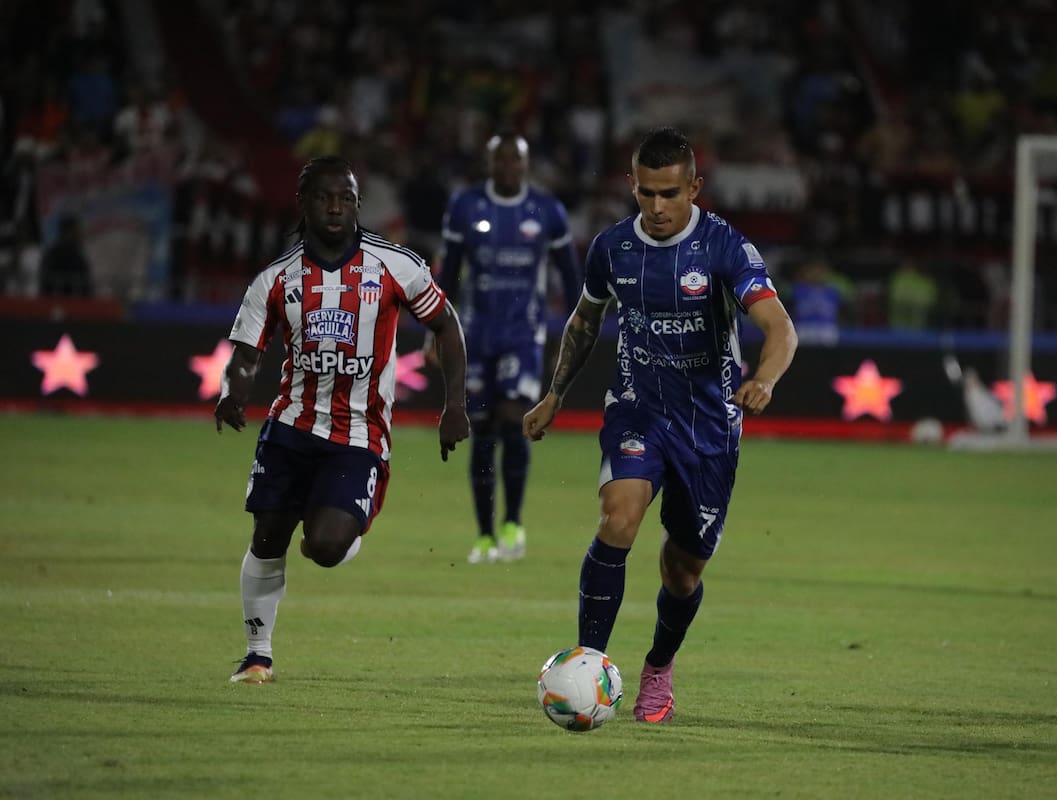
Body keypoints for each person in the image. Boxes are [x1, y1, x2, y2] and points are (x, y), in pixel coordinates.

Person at [522, 127, 798, 722]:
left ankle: (658, 666)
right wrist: (554, 395)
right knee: (618, 517)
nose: (657, 206)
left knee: (682, 567)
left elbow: (780, 328)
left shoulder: (726, 248)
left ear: (694, 187)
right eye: (646, 193)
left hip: (708, 428)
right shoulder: (612, 247)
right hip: (637, 409)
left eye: (670, 193)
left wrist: (766, 379)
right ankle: (587, 665)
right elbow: (582, 323)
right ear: (631, 186)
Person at [215, 156, 470, 684]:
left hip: (359, 435)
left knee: (325, 547)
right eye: (324, 197)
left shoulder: (395, 266)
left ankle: (335, 527)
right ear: (303, 203)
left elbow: (446, 326)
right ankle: (257, 654)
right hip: (289, 428)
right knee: (268, 534)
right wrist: (233, 392)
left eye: (346, 197)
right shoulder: (276, 279)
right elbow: (246, 352)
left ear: (357, 204)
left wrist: (455, 405)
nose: (335, 206)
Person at [430, 132, 580, 564]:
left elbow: (570, 279)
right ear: (490, 163)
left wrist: (572, 339)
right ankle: (484, 535)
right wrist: (435, 333)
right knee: (480, 430)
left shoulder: (547, 211)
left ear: (526, 166)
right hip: (476, 335)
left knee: (514, 420)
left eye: (517, 161)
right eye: (502, 160)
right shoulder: (465, 207)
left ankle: (513, 521)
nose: (509, 168)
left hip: (523, 334)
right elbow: (451, 272)